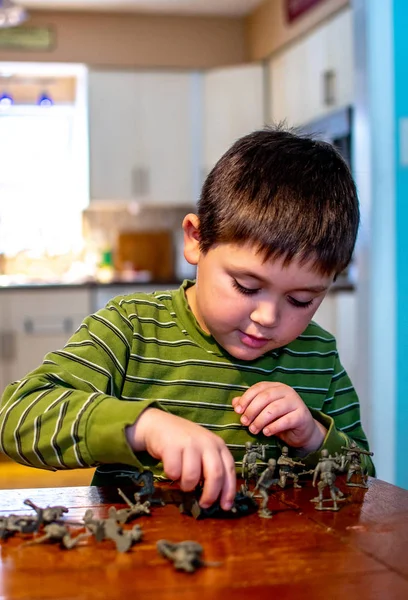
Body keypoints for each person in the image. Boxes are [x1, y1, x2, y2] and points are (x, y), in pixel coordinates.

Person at [0, 126, 375, 513]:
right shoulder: (131, 329)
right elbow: (17, 417)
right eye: (246, 286)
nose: (268, 317)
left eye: (300, 300)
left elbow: (364, 476)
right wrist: (143, 427)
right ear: (196, 240)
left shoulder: (319, 355)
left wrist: (314, 437)